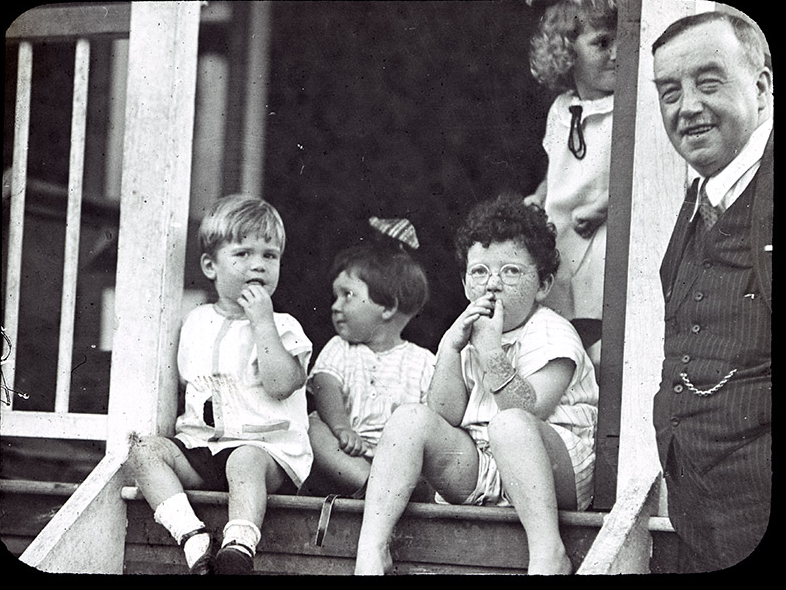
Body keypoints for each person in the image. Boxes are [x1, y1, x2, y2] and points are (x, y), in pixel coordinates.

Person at [354, 194, 599, 575]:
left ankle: (549, 552)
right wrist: (450, 348)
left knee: (510, 424)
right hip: (487, 469)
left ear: (543, 284)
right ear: (465, 280)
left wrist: (489, 351)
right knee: (409, 420)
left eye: (512, 272)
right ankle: (371, 548)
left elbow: (529, 410)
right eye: (480, 271)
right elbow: (444, 413)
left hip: (552, 473)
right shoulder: (472, 332)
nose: (493, 284)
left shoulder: (552, 332)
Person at [126, 195, 313, 575]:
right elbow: (188, 384)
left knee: (244, 459)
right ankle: (192, 537)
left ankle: (239, 546)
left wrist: (262, 322)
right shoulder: (195, 322)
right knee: (142, 452)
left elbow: (281, 384)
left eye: (270, 255)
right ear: (211, 266)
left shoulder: (283, 325)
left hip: (266, 451)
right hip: (204, 448)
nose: (258, 264)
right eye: (243, 254)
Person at [651, 11, 772, 572]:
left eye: (709, 81)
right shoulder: (701, 195)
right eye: (669, 92)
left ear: (763, 86)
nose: (687, 107)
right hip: (701, 520)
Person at [303, 217, 435, 499]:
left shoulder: (423, 361)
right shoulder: (341, 348)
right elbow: (325, 385)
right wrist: (340, 427)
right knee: (313, 425)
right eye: (335, 296)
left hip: (399, 462)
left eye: (347, 295)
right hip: (347, 457)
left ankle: (386, 487)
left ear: (387, 307)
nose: (336, 306)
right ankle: (368, 483)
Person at [525, 0, 618, 376]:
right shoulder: (562, 109)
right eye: (601, 43)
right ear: (567, 53)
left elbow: (633, 175)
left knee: (598, 322)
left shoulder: (623, 111)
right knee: (561, 321)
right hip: (560, 237)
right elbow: (556, 167)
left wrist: (602, 208)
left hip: (599, 231)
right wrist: (540, 196)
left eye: (622, 42)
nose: (616, 54)